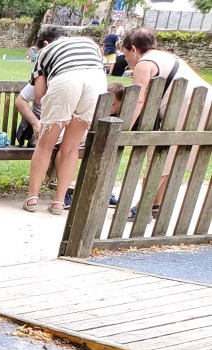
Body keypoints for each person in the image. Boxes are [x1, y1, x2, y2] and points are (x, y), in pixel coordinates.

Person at [120, 26, 212, 217]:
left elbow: (138, 99)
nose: (126, 60)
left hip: (188, 106)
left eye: (125, 54)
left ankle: (142, 206)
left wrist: (124, 130)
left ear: (134, 49)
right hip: (203, 102)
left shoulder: (144, 63)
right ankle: (156, 204)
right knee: (171, 156)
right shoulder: (168, 56)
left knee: (160, 157)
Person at [22, 27, 106, 215]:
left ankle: (32, 198)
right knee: (71, 147)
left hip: (66, 80)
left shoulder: (45, 51)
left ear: (44, 43)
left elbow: (38, 96)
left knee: (45, 144)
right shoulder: (89, 43)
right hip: (97, 82)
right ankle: (59, 202)